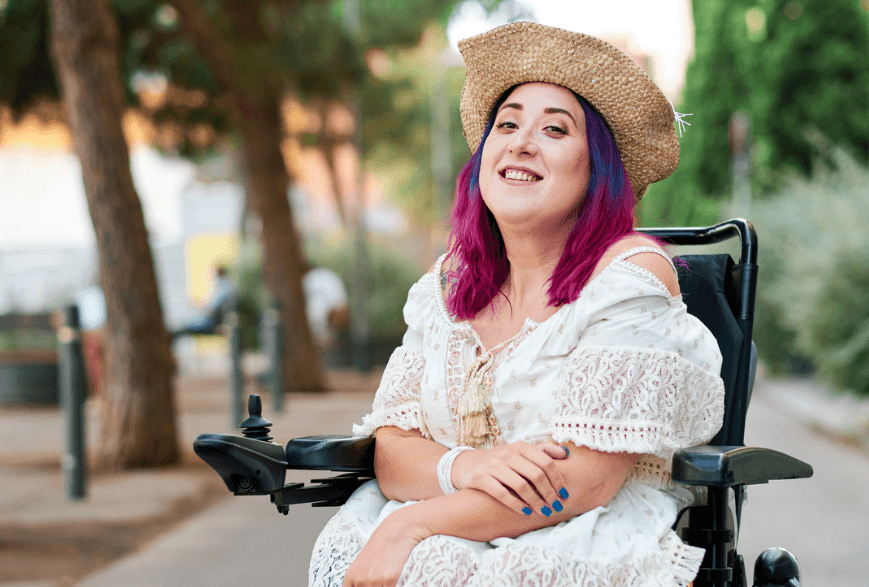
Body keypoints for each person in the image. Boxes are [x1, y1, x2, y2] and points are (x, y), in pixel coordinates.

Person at [309, 22, 724, 587]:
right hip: (454, 512)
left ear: (596, 168)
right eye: (506, 124)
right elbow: (392, 448)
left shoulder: (627, 280)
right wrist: (464, 465)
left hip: (578, 529)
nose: (521, 141)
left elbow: (584, 482)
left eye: (555, 129)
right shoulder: (447, 286)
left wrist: (409, 528)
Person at [173, 265, 236, 337]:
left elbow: (212, 307)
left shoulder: (223, 286)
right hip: (212, 319)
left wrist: (199, 305)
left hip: (211, 321)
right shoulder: (228, 284)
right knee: (183, 325)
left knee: (182, 328)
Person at [303, 262, 350, 350]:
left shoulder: (311, 279)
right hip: (332, 311)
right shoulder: (321, 277)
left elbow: (316, 314)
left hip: (331, 312)